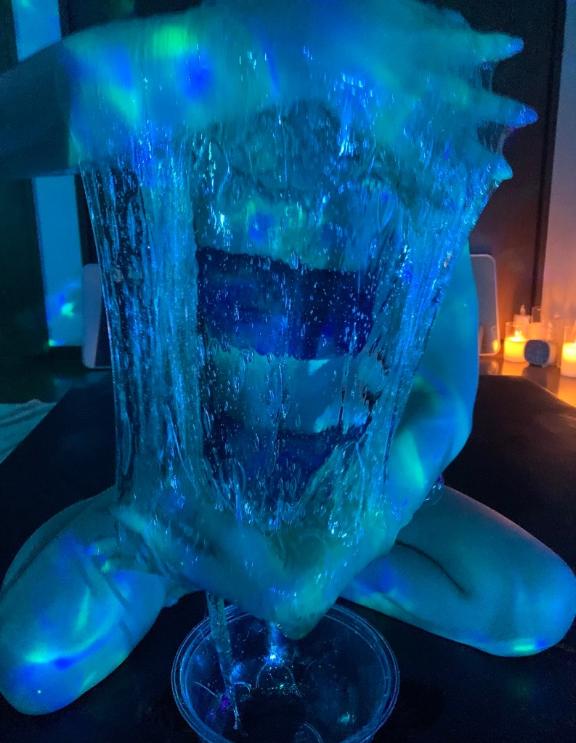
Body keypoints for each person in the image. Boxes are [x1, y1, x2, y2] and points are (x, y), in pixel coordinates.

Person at [0, 0, 574, 716]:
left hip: (341, 492)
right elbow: (21, 121)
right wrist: (255, 47)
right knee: (32, 666)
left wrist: (340, 545)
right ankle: (210, 566)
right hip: (191, 500)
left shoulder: (410, 175)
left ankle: (279, 577)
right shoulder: (191, 134)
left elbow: (444, 402)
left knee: (539, 602)